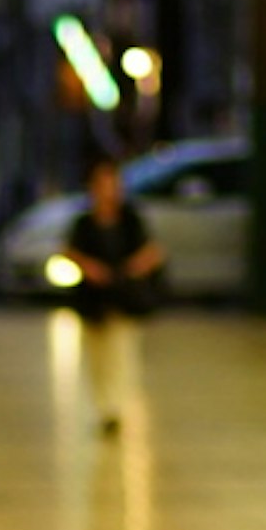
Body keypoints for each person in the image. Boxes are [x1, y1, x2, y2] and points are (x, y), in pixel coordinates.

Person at [59, 157, 163, 434]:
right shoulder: (84, 222)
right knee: (97, 357)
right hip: (92, 300)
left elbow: (151, 251)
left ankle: (116, 406)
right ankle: (103, 406)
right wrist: (90, 268)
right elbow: (69, 251)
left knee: (122, 352)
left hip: (124, 297)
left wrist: (131, 270)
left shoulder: (131, 220)